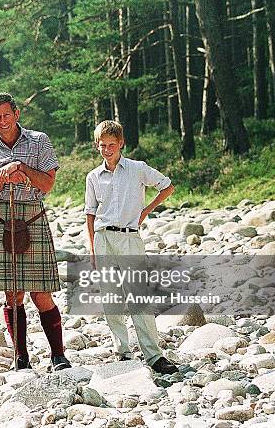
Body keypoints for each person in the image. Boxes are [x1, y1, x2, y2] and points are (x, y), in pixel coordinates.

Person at [0, 92, 71, 371]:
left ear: (17, 114)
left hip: (33, 216)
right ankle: (21, 357)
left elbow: (48, 184)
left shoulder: (39, 141)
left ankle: (58, 355)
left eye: (6, 115)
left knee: (41, 294)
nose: (2, 121)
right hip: (2, 220)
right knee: (12, 294)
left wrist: (24, 169)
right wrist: (0, 179)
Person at [85, 120, 178, 375]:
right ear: (97, 145)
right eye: (102, 145)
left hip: (130, 238)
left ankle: (154, 356)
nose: (106, 150)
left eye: (111, 145)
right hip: (103, 238)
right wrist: (93, 248)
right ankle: (123, 352)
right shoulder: (93, 177)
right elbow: (90, 214)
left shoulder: (137, 169)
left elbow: (167, 186)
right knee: (111, 299)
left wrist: (146, 211)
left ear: (121, 144)